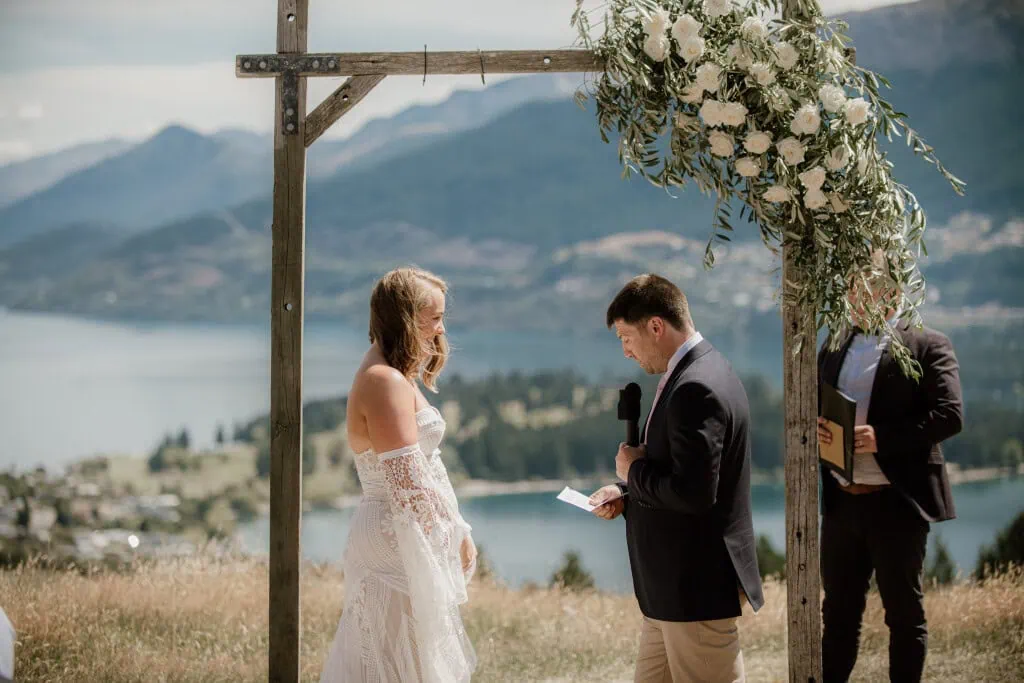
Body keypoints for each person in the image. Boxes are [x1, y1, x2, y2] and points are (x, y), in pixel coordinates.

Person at [590, 273, 763, 683]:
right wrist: (624, 490)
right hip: (669, 593)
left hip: (693, 587)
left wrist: (633, 471)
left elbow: (693, 492)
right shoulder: (695, 371)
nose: (626, 351)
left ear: (655, 326)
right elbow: (679, 469)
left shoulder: (696, 386)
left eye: (625, 337)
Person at [319, 267, 477, 683]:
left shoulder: (392, 374)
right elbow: (409, 483)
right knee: (394, 664)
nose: (440, 329)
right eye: (434, 317)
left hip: (403, 530)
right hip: (396, 535)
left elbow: (425, 471)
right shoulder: (383, 381)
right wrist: (448, 537)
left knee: (403, 661)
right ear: (407, 318)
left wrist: (459, 528)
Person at [817, 250, 962, 683]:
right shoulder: (835, 343)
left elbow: (950, 415)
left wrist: (883, 438)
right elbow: (817, 403)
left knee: (903, 615)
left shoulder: (928, 343)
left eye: (864, 288)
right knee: (838, 614)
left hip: (897, 503)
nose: (854, 297)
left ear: (893, 291)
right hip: (842, 504)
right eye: (851, 289)